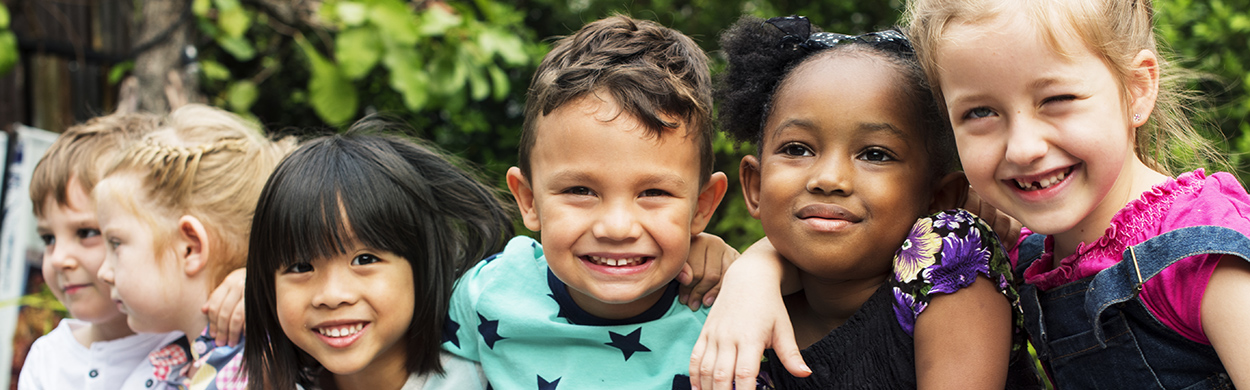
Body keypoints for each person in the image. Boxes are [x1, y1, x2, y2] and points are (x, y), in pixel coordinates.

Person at [903, 0, 1250, 387]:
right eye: (980, 112)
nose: (1023, 148)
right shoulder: (1021, 252)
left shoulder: (1205, 254)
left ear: (1137, 89)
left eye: (1057, 100)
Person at [688, 15, 1040, 390]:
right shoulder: (740, 310)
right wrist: (749, 272)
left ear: (939, 198)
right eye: (797, 148)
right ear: (755, 186)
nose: (828, 179)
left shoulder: (949, 254)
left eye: (875, 154)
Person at [439, 15, 732, 389]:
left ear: (703, 206)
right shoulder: (487, 292)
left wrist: (757, 272)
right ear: (528, 200)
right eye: (580, 191)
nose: (616, 227)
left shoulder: (726, 313)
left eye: (653, 193)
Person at [243, 124, 510, 390]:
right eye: (301, 266)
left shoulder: (493, 373)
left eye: (365, 259)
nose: (333, 295)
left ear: (422, 265)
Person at [18, 112, 247, 390]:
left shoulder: (196, 334)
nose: (59, 259)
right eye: (48, 238)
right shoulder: (47, 359)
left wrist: (251, 283)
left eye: (89, 233)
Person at [93, 104, 295, 390]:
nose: (104, 271)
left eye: (116, 244)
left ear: (191, 248)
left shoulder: (259, 375)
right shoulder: (172, 363)